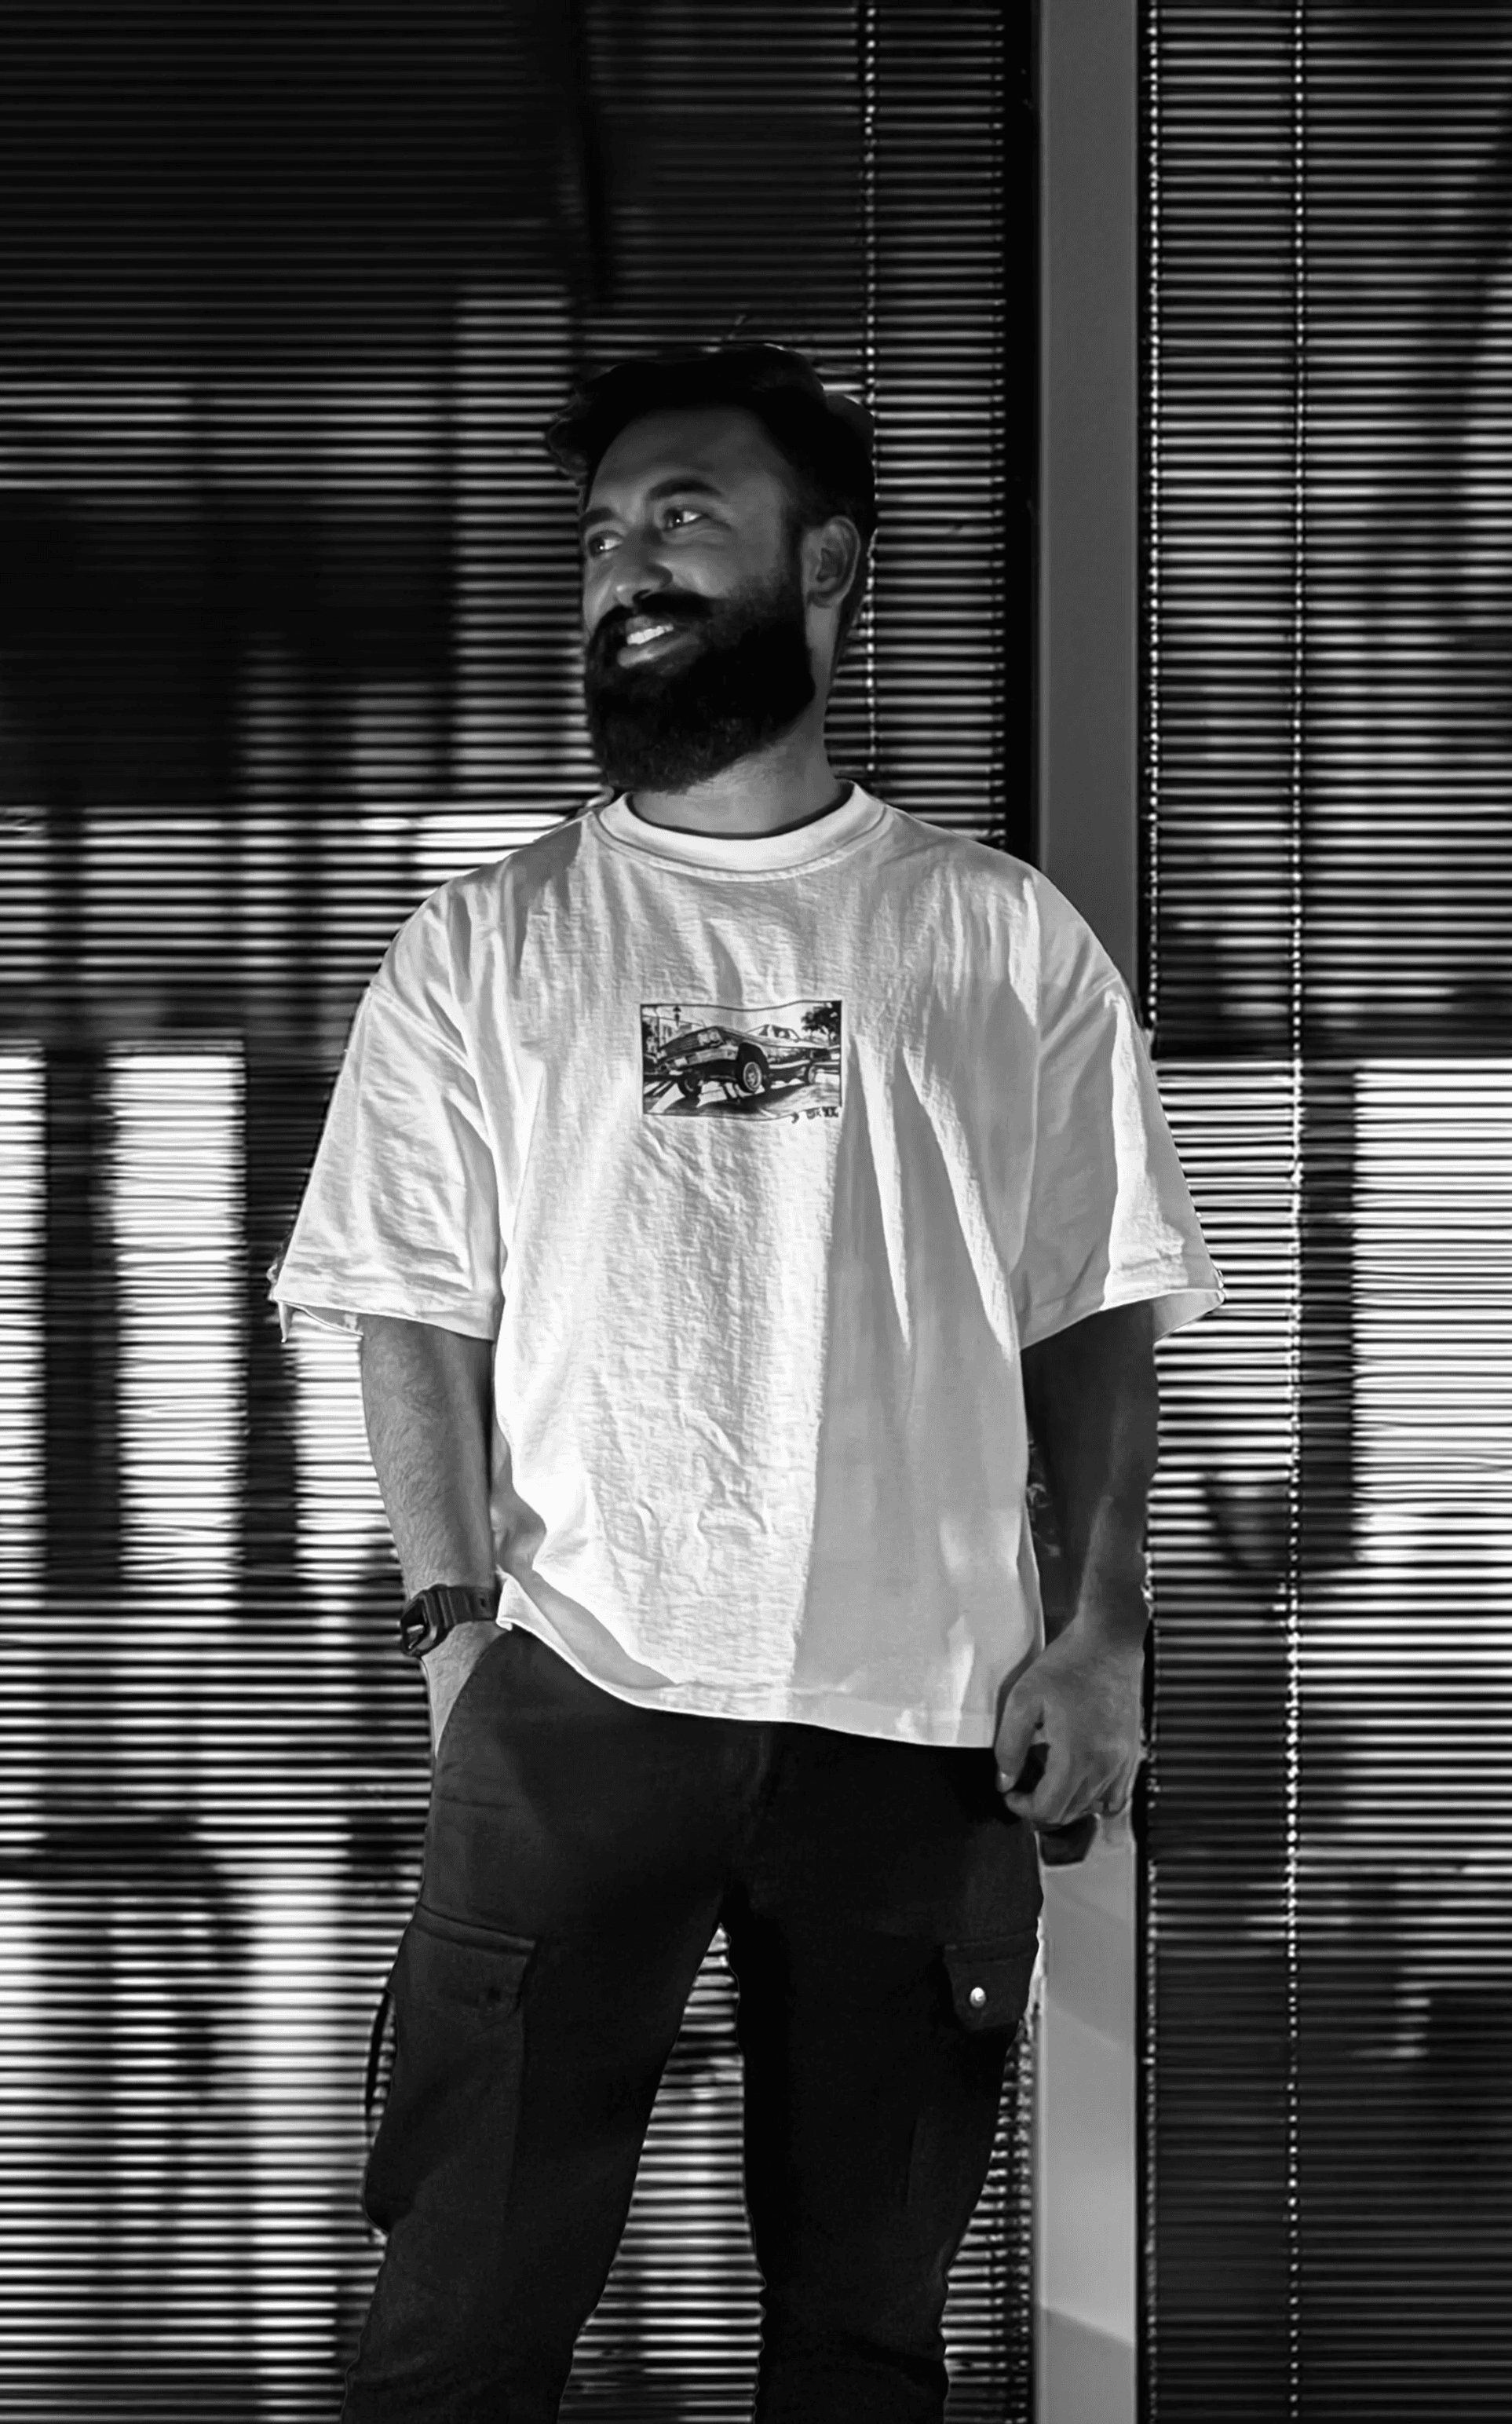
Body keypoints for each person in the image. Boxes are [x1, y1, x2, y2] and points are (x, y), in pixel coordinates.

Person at [271, 342, 1222, 2423]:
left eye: (686, 515)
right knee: (457, 2328)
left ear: (831, 565)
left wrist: (1103, 1629)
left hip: (917, 1724)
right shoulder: (488, 943)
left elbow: (1096, 1300)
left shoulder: (996, 938)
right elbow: (405, 1303)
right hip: (578, 1695)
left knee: (860, 2344)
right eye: (602, 532)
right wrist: (453, 1634)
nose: (627, 564)